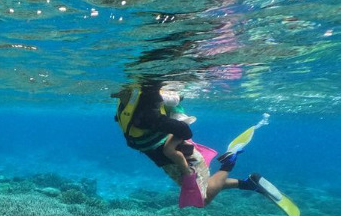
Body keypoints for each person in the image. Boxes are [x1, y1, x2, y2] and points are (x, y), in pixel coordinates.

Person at [112, 81, 268, 207]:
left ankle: (228, 165)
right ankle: (248, 184)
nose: (121, 92)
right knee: (202, 187)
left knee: (202, 199)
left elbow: (185, 131)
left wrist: (181, 163)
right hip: (168, 161)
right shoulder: (130, 106)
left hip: (184, 160)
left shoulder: (149, 118)